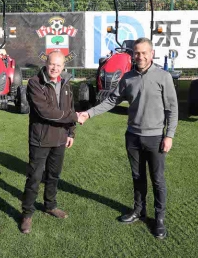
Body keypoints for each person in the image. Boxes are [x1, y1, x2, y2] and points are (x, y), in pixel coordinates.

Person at [78, 38, 178, 239]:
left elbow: (172, 108)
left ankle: (159, 219)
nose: (140, 56)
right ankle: (138, 211)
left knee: (157, 180)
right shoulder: (127, 77)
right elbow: (112, 100)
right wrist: (88, 113)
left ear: (152, 54)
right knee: (137, 177)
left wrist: (169, 135)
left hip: (155, 138)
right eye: (137, 53)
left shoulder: (163, 77)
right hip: (132, 137)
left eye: (144, 53)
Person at [21, 50, 78, 234]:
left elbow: (70, 108)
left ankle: (50, 205)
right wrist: (75, 117)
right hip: (40, 139)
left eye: (58, 65)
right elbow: (46, 112)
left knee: (54, 175)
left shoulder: (67, 83)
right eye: (52, 64)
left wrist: (71, 132)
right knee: (34, 178)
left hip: (60, 139)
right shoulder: (34, 83)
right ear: (46, 63)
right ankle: (27, 213)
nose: (55, 68)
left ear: (63, 67)